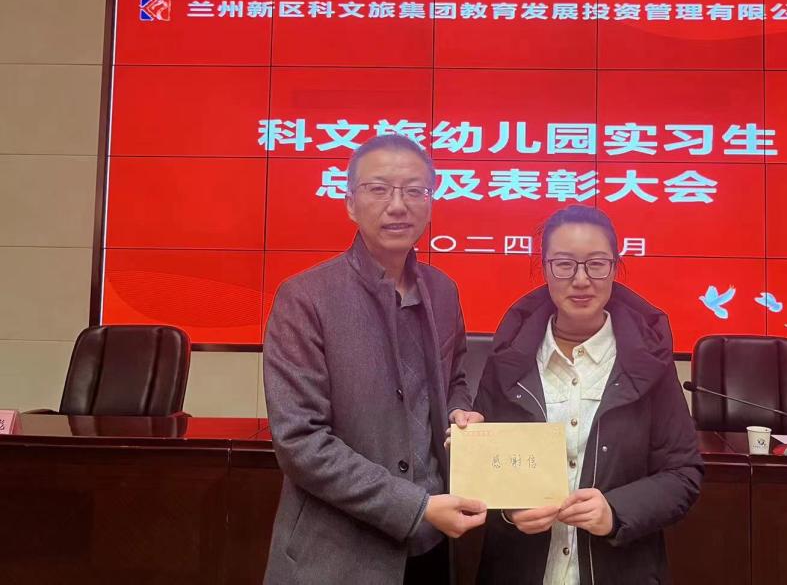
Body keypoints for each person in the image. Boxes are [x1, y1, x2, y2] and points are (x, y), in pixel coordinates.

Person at [262, 134, 487, 585]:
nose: (397, 205)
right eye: (379, 189)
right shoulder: (305, 298)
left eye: (414, 190)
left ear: (430, 201)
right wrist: (414, 507)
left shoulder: (443, 291)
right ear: (350, 203)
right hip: (337, 555)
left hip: (432, 544)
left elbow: (454, 380)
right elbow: (300, 442)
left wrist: (461, 411)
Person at [473, 205, 704, 584]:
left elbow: (683, 473)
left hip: (621, 571)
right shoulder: (509, 360)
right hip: (518, 570)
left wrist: (616, 511)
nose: (581, 280)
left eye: (596, 264)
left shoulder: (648, 363)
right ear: (544, 268)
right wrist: (508, 512)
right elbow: (483, 471)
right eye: (564, 264)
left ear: (615, 268)